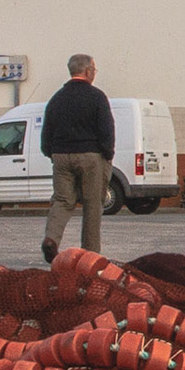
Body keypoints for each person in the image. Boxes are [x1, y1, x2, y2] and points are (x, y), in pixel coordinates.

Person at [41, 53, 114, 263]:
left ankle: (51, 239)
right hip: (91, 156)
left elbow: (46, 134)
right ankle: (89, 255)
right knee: (92, 205)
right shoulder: (97, 97)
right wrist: (107, 155)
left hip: (61, 155)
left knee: (62, 201)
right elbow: (107, 131)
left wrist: (51, 153)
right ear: (89, 71)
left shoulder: (56, 99)